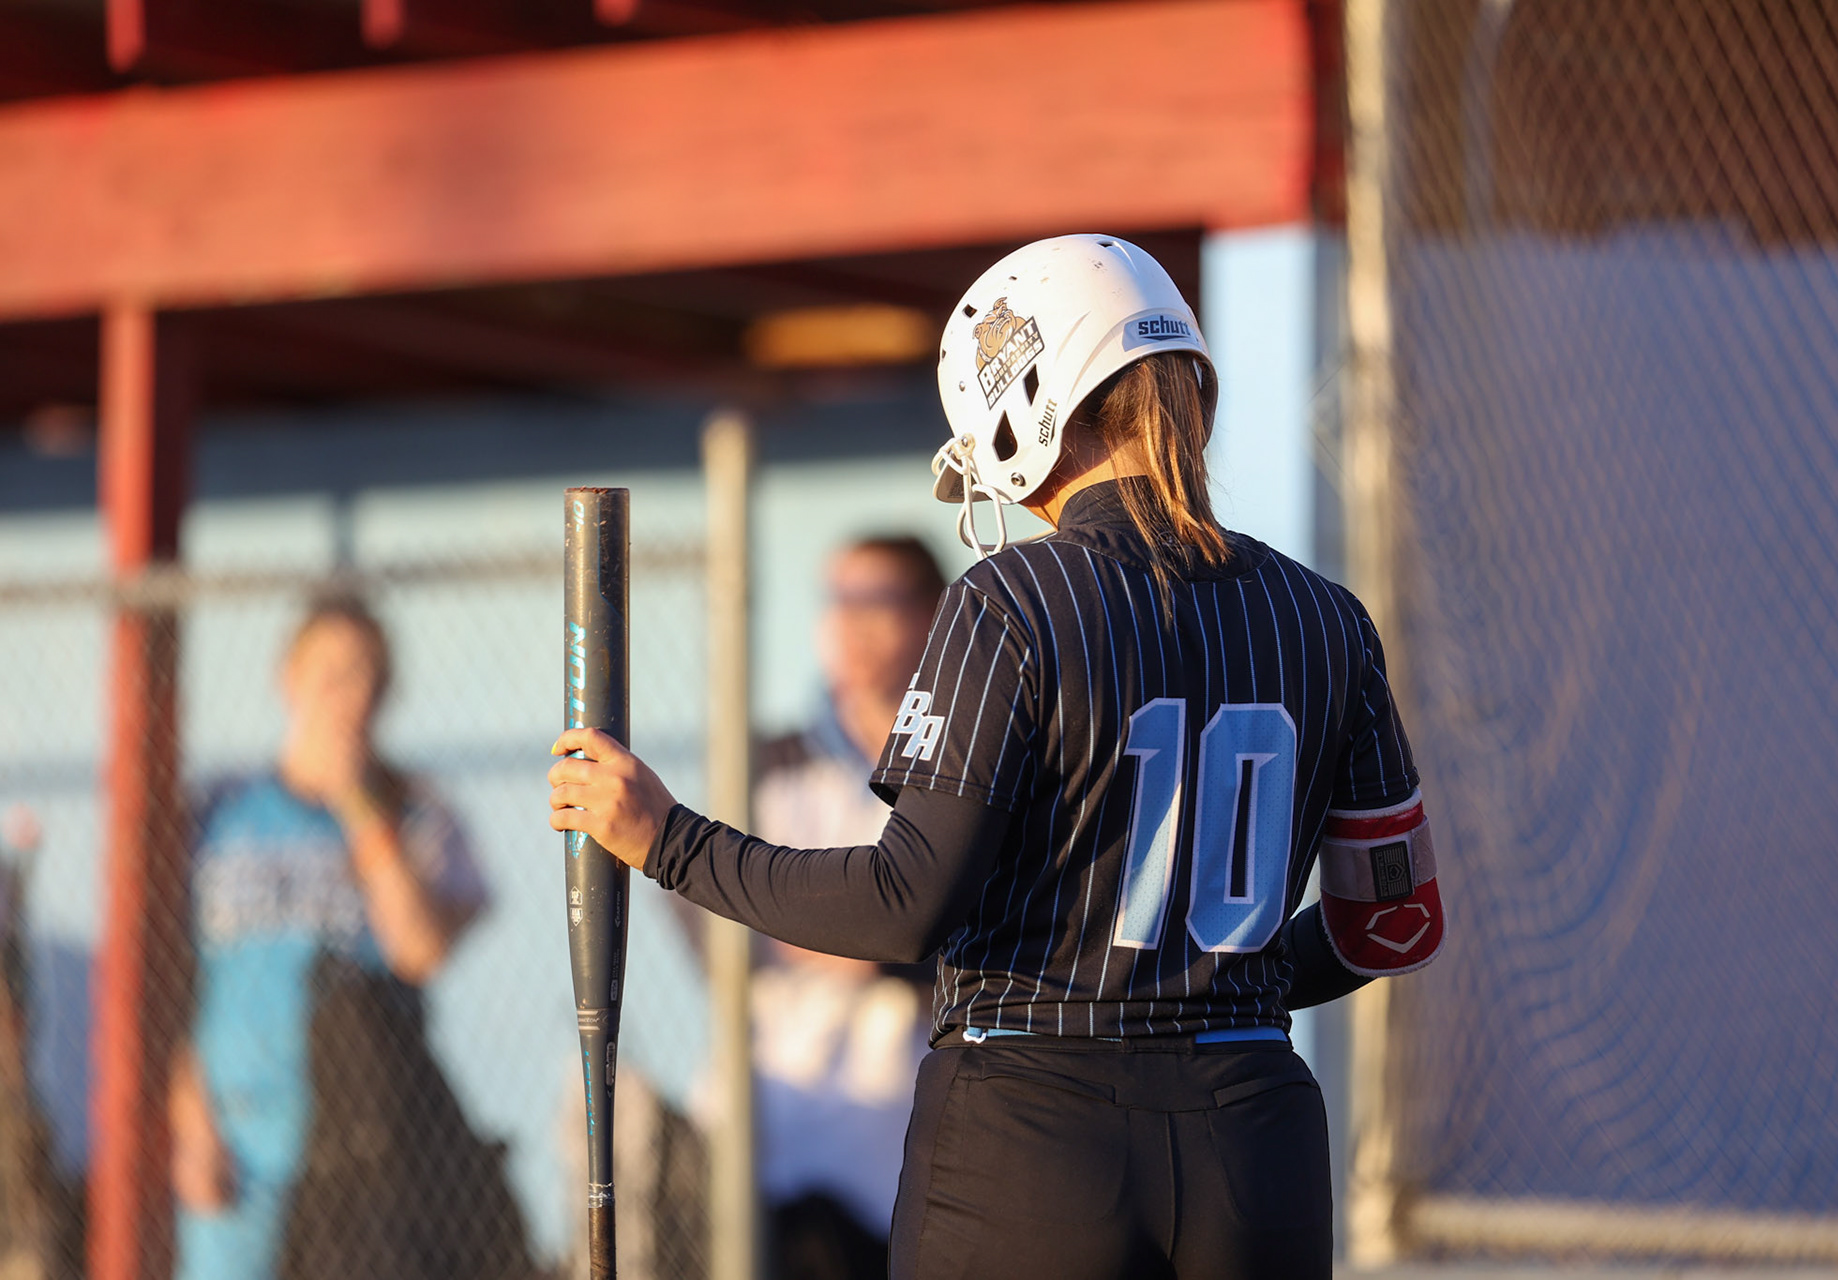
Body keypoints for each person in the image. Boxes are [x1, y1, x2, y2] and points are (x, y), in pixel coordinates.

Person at [548, 235, 1446, 1280]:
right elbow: (1394, 917)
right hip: (1257, 1137)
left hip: (1036, 1127)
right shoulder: (1327, 618)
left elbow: (901, 902)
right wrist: (1213, 985)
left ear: (1028, 404)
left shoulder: (1012, 598)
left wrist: (670, 841)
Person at [171, 595, 509, 1280]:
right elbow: (166, 980)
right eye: (329, 675)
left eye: (365, 677)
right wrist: (189, 1122)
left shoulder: (414, 811)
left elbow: (420, 949)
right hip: (241, 1135)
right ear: (287, 679)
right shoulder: (219, 809)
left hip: (369, 1145)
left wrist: (358, 803)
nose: (346, 697)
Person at [752, 536, 944, 1280]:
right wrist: (875, 931)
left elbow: (961, 927)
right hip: (782, 1114)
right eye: (839, 602)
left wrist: (821, 919)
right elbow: (719, 920)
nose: (851, 626)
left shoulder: (962, 762)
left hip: (907, 1117)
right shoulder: (771, 761)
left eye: (878, 604)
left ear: (933, 621)